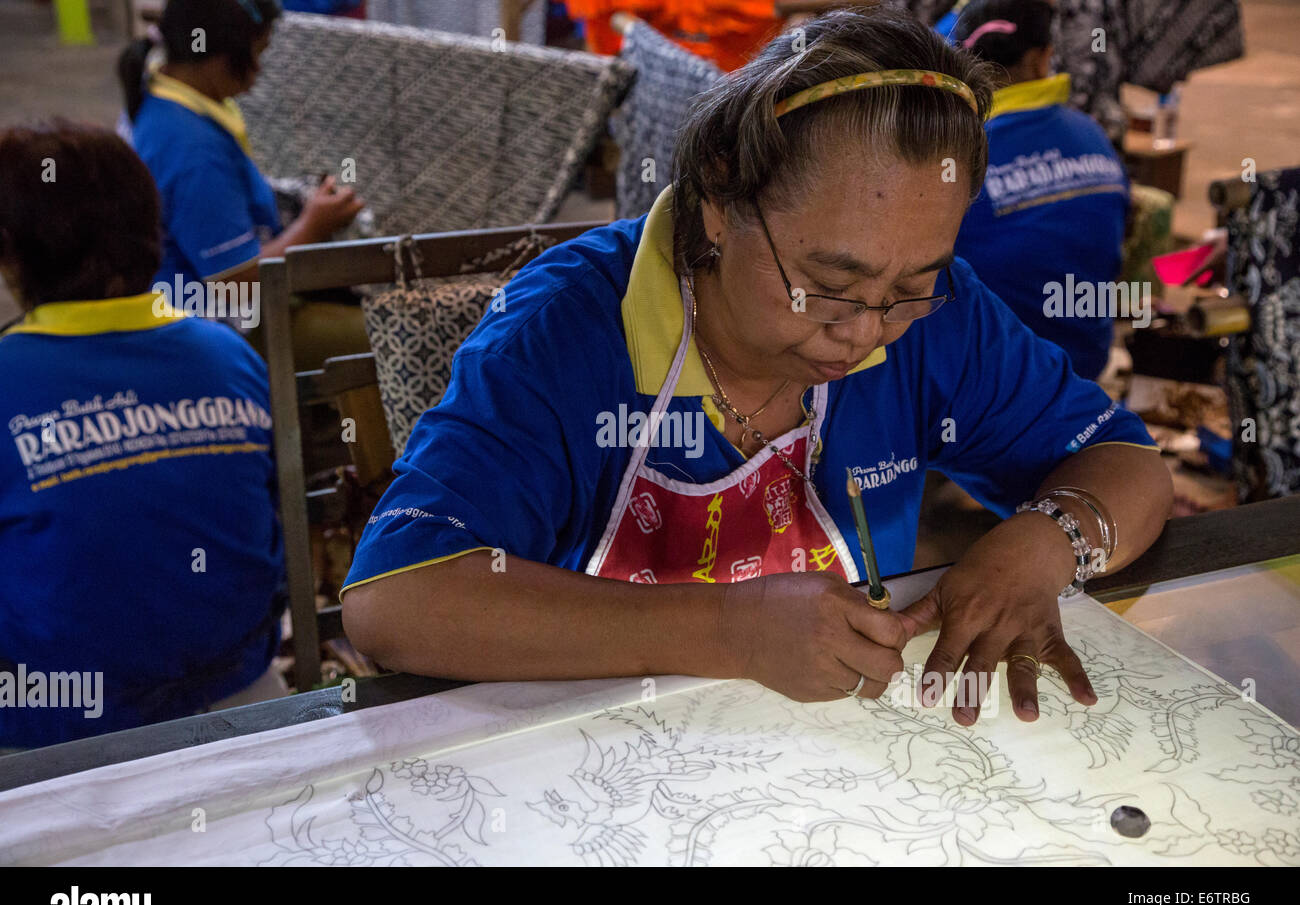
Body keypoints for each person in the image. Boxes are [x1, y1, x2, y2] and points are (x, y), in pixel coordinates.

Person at [340, 6, 1172, 727]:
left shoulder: (938, 318)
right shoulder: (567, 329)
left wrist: (1048, 540)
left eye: (910, 288)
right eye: (829, 284)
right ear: (721, 195)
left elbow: (1131, 466)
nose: (867, 335)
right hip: (586, 743)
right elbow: (398, 599)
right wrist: (725, 632)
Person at [0, 121, 286, 748]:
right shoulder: (226, 352)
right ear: (151, 225)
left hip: (55, 734)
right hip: (248, 697)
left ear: (12, 255)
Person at [118, 0, 368, 363]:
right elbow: (236, 287)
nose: (260, 70)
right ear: (222, 59)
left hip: (205, 307)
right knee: (390, 339)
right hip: (211, 330)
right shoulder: (191, 149)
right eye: (257, 53)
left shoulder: (165, 94)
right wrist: (313, 225)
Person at [950, 0, 1130, 380]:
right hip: (1085, 365)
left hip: (991, 380)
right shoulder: (1090, 133)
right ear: (1042, 58)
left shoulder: (955, 152)